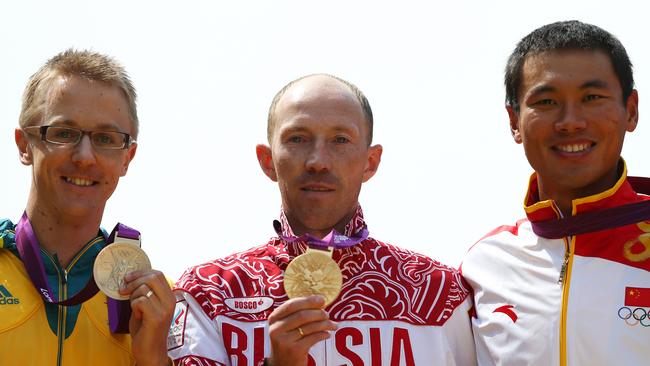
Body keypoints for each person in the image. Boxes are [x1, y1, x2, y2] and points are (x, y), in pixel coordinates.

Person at [168, 74, 476, 365]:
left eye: (340, 140)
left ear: (370, 162)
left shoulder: (438, 294)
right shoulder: (210, 294)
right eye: (298, 138)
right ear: (267, 161)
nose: (318, 161)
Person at [461, 20, 649, 365]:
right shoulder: (482, 266)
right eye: (546, 101)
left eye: (592, 97)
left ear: (631, 110)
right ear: (514, 121)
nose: (570, 121)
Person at [0, 49, 175, 365]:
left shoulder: (158, 303)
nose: (84, 156)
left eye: (105, 138)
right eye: (64, 133)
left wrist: (155, 359)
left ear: (127, 157)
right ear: (24, 144)